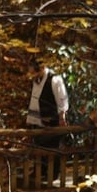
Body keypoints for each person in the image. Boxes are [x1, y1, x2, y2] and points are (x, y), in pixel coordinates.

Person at [26, 57, 70, 185]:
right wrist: (30, 120)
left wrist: (62, 116)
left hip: (51, 118)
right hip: (37, 118)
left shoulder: (55, 79)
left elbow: (62, 100)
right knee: (38, 145)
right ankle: (39, 170)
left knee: (51, 147)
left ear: (41, 68)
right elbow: (34, 100)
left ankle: (53, 174)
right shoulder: (36, 80)